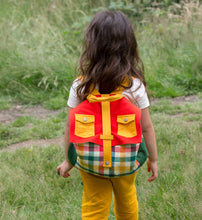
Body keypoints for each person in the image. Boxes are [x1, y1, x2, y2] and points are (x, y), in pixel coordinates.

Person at [57, 10, 158, 220]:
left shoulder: (80, 85)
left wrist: (69, 160)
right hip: (126, 161)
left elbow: (70, 126)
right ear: (129, 46)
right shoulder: (135, 86)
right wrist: (153, 160)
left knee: (94, 205)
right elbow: (146, 127)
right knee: (127, 200)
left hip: (89, 162)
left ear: (91, 45)